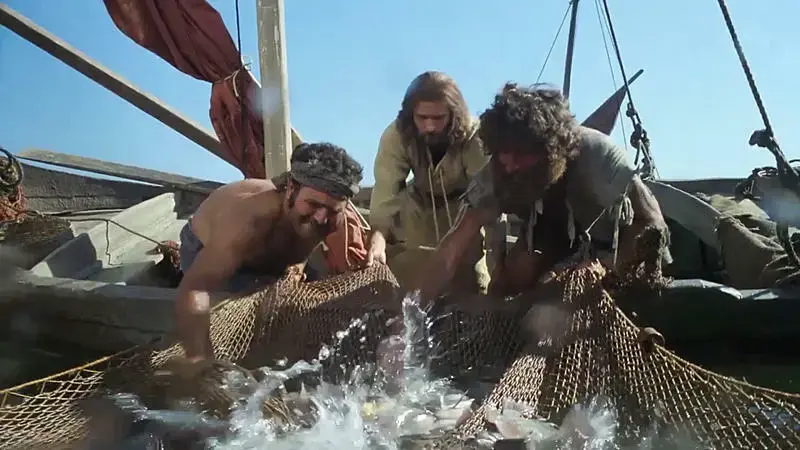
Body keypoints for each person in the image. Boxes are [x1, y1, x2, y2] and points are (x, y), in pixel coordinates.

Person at [412, 83, 671, 304]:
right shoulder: (499, 173)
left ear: (551, 151)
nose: (511, 166)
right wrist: (411, 312)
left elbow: (653, 224)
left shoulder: (598, 156)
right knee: (507, 283)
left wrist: (605, 268)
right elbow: (453, 247)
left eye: (521, 155)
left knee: (562, 306)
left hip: (613, 249)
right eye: (504, 155)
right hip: (552, 241)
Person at [174, 142, 386, 363]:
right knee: (258, 313)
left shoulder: (335, 220)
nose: (321, 218)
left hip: (281, 259)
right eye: (312, 204)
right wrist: (199, 360)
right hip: (212, 252)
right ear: (291, 189)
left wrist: (376, 244)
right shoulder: (248, 221)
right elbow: (195, 289)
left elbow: (348, 263)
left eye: (333, 210)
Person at [369, 71, 491, 294]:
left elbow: (488, 199)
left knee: (473, 284)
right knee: (411, 286)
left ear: (454, 115)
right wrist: (378, 239)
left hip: (465, 212)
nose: (430, 126)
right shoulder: (396, 135)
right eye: (422, 118)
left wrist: (496, 257)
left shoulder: (476, 137)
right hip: (417, 211)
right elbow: (386, 191)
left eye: (438, 118)